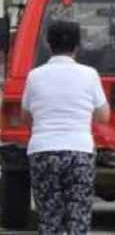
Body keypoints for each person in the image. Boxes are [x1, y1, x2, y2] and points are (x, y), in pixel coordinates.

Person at [21, 20, 110, 235]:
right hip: (79, 152)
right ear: (77, 46)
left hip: (43, 151)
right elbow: (104, 116)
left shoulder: (34, 76)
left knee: (49, 217)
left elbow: (26, 117)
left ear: (48, 45)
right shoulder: (89, 74)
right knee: (78, 215)